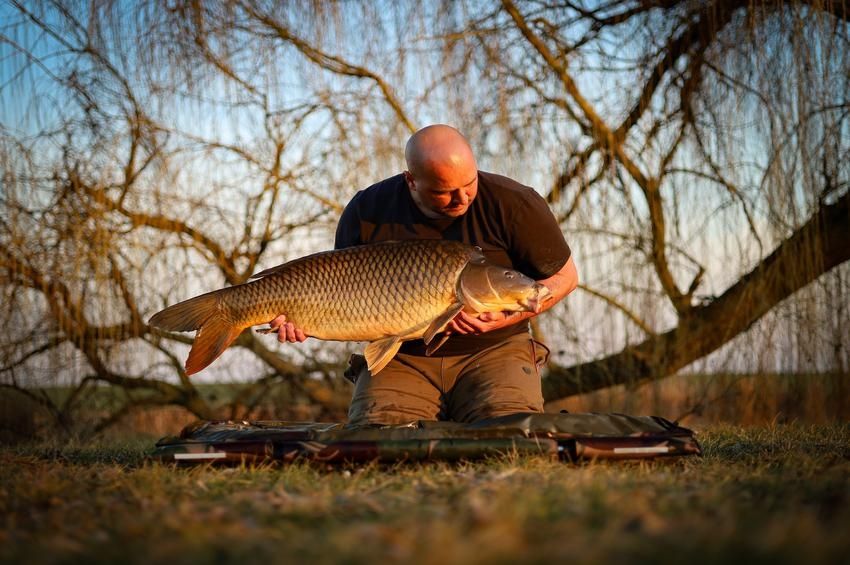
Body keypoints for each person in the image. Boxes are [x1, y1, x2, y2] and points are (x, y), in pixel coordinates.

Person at [269, 125, 578, 425]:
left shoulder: (513, 203)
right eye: (444, 192)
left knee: (510, 434)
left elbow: (565, 278)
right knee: (378, 442)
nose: (462, 199)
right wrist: (302, 319)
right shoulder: (367, 210)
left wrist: (501, 320)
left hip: (495, 349)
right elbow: (341, 293)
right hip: (402, 355)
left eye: (469, 184)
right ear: (411, 181)